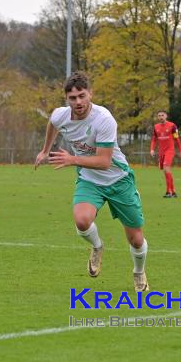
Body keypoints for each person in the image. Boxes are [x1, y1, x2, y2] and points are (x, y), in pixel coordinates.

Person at [34, 72, 149, 292]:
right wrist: (45, 150)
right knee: (82, 221)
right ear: (66, 99)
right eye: (72, 98)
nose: (78, 102)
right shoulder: (61, 115)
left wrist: (72, 159)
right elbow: (52, 124)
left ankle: (138, 271)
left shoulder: (104, 119)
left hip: (119, 180)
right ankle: (97, 247)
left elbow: (105, 162)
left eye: (81, 96)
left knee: (135, 240)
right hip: (89, 179)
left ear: (90, 94)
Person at [150, 110, 181, 198]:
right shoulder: (156, 127)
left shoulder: (172, 126)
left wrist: (180, 150)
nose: (161, 117)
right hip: (161, 152)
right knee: (166, 171)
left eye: (162, 115)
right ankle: (173, 192)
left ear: (166, 116)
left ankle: (169, 192)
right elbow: (154, 139)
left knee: (166, 168)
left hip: (170, 151)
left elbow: (177, 139)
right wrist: (152, 149)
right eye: (159, 115)